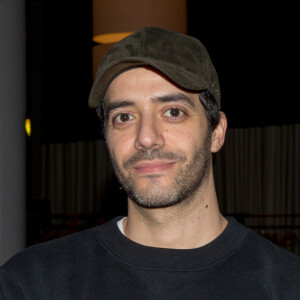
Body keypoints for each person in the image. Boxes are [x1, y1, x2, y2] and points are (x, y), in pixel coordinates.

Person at [0, 27, 299, 299]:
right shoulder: (32, 283)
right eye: (124, 117)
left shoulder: (286, 284)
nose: (146, 138)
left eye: (173, 112)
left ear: (217, 132)